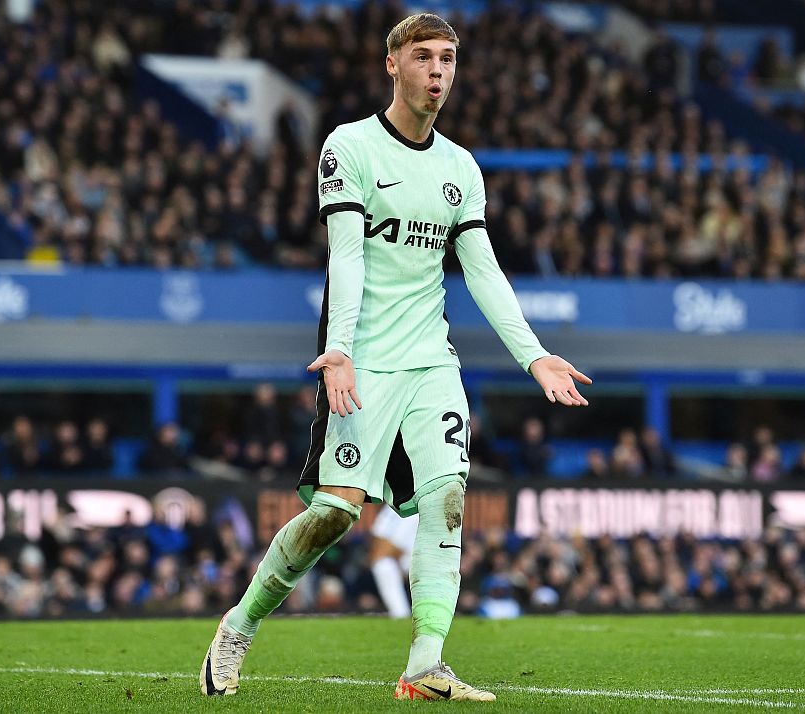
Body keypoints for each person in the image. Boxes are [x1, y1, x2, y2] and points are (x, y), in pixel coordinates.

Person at [199, 13, 591, 702]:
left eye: (448, 59)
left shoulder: (460, 168)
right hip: (364, 362)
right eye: (424, 57)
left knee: (447, 498)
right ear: (392, 64)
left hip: (430, 362)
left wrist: (534, 357)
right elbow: (344, 259)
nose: (438, 72)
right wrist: (340, 350)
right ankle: (239, 624)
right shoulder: (349, 148)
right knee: (337, 513)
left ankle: (425, 661)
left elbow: (484, 271)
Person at [369, 506, 419, 618]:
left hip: (419, 558)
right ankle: (400, 615)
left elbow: (392, 547)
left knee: (383, 564)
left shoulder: (414, 507)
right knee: (382, 564)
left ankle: (402, 615)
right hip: (402, 559)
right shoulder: (389, 508)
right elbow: (378, 542)